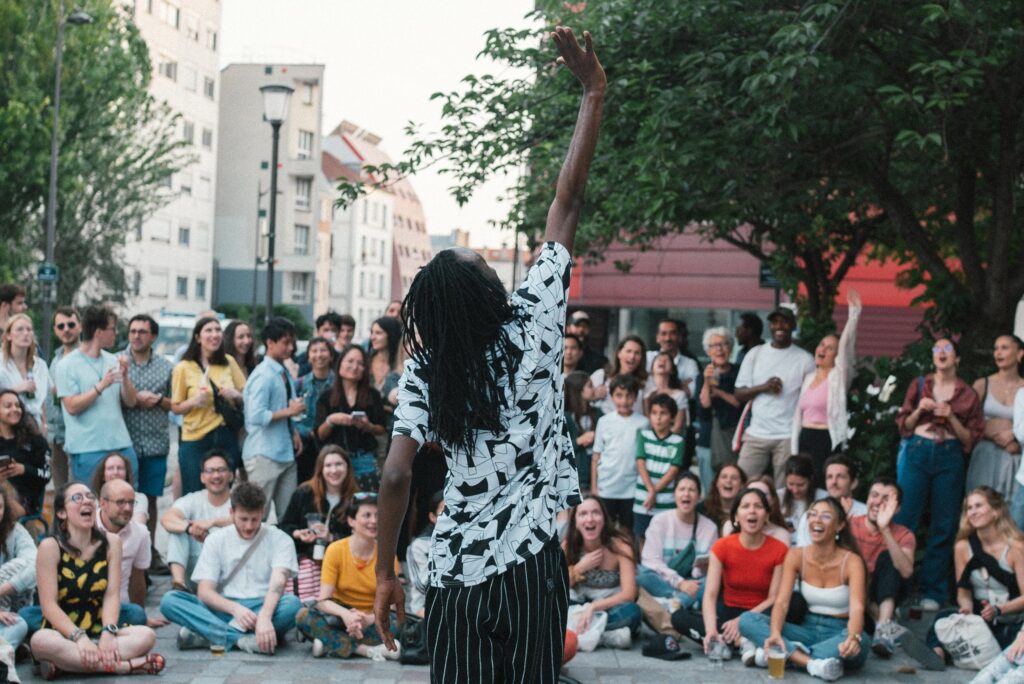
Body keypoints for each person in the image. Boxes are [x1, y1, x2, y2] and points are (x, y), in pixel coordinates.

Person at [374, 26, 603, 682]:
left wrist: (389, 571)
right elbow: (567, 201)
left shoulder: (425, 369)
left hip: (456, 568)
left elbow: (395, 476)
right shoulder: (533, 325)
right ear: (486, 292)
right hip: (532, 566)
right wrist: (592, 93)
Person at [28, 482, 163, 678]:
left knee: (147, 636)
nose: (87, 501)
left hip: (99, 629)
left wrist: (108, 632)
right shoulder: (50, 547)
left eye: (89, 496)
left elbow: (112, 594)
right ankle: (124, 666)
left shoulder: (112, 543)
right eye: (77, 498)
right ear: (61, 513)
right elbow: (48, 605)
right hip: (64, 632)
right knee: (40, 641)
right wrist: (79, 637)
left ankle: (65, 665)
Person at [159, 481, 301, 655]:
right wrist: (235, 609)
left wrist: (264, 616)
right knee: (170, 601)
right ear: (231, 513)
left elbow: (278, 584)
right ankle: (240, 640)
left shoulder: (281, 539)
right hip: (223, 608)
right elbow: (205, 591)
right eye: (243, 519)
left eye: (254, 519)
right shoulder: (216, 539)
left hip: (263, 606)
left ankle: (209, 634)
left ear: (263, 513)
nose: (249, 526)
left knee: (293, 605)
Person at [896, 337, 984, 610]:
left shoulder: (968, 393)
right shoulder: (920, 385)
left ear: (957, 359)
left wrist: (951, 417)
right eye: (937, 348)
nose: (941, 352)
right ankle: (895, 590)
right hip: (918, 451)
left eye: (948, 349)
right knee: (904, 518)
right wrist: (919, 411)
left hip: (949, 454)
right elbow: (904, 426)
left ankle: (932, 591)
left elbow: (970, 439)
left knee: (944, 524)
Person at [740, 496, 870, 681]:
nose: (816, 520)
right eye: (812, 515)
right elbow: (782, 603)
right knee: (747, 620)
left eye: (825, 516)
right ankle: (811, 663)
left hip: (839, 631)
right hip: (806, 628)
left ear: (840, 525)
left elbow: (857, 607)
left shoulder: (852, 561)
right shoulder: (796, 555)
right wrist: (776, 632)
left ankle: (782, 654)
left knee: (862, 643)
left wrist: (854, 637)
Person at [672, 487, 788, 662]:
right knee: (678, 617)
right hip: (728, 612)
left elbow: (774, 598)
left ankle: (734, 642)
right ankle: (742, 641)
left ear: (766, 515)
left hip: (761, 614)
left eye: (758, 506)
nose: (752, 511)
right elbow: (710, 594)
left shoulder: (779, 549)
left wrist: (743, 621)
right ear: (735, 517)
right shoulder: (722, 546)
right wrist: (711, 630)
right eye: (746, 506)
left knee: (794, 605)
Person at [295, 496, 401, 660]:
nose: (373, 521)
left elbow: (392, 607)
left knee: (397, 624)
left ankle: (329, 643)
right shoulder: (335, 550)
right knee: (303, 616)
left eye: (378, 516)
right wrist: (346, 615)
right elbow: (323, 601)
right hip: (339, 617)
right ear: (351, 521)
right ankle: (367, 650)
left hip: (372, 619)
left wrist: (367, 619)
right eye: (367, 515)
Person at [926, 487, 1024, 663]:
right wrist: (967, 610)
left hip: (1009, 618)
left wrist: (999, 609)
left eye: (978, 506)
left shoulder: (1016, 547)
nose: (972, 512)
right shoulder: (963, 547)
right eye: (969, 508)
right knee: (944, 617)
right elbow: (963, 592)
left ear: (995, 511)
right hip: (980, 618)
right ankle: (936, 654)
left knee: (1013, 637)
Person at [53, 304, 139, 485]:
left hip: (121, 445)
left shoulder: (114, 359)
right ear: (99, 332)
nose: (115, 333)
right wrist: (101, 386)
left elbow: (131, 402)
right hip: (87, 448)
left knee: (127, 501)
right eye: (112, 329)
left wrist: (125, 377)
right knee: (91, 503)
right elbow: (71, 406)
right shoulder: (66, 365)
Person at [735, 307, 815, 488]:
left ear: (793, 325)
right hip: (757, 432)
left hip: (787, 435)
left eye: (785, 321)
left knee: (785, 489)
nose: (780, 326)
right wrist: (764, 387)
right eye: (775, 322)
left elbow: (810, 396)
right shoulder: (755, 354)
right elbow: (739, 394)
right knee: (742, 484)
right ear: (770, 326)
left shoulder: (805, 359)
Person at [792, 291, 861, 488]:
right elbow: (798, 417)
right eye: (822, 345)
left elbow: (847, 347)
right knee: (803, 486)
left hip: (826, 440)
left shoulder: (838, 377)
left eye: (830, 348)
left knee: (824, 488)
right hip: (805, 437)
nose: (823, 349)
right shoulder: (808, 378)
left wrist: (853, 315)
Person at [171, 316, 246, 494]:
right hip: (195, 438)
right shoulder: (183, 367)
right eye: (209, 331)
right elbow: (175, 407)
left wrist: (236, 395)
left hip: (225, 435)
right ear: (198, 337)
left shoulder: (228, 361)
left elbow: (247, 394)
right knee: (194, 492)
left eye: (218, 330)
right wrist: (194, 401)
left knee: (223, 492)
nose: (215, 335)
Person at [242, 317, 305, 520]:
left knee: (289, 515)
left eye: (292, 342)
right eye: (285, 343)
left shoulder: (282, 371)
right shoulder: (263, 375)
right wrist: (290, 412)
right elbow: (256, 415)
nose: (290, 348)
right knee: (257, 515)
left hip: (284, 451)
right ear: (270, 343)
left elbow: (285, 406)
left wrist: (292, 430)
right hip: (264, 454)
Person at [847, 478, 917, 657]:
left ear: (897, 508)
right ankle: (886, 625)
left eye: (886, 498)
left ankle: (884, 629)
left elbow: (907, 571)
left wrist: (885, 529)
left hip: (882, 593)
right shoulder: (850, 524)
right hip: (852, 599)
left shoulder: (904, 534)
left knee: (891, 557)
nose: (878, 501)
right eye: (874, 495)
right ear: (867, 499)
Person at [278, 445, 357, 601]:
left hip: (339, 562)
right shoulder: (304, 492)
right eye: (328, 465)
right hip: (305, 560)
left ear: (347, 467)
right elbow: (283, 527)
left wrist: (331, 537)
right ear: (320, 469)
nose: (333, 470)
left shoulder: (355, 498)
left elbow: (359, 538)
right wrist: (298, 534)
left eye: (339, 464)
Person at [121, 314, 173, 543]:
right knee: (122, 498)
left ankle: (149, 549)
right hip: (123, 442)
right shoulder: (116, 361)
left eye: (142, 332)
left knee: (150, 500)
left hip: (154, 443)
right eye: (133, 331)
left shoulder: (166, 367)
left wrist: (159, 400)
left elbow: (178, 403)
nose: (136, 336)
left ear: (153, 336)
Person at [564, 496, 642, 648]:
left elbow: (629, 594)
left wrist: (593, 608)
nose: (590, 519)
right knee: (553, 609)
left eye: (595, 513)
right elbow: (557, 587)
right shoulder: (568, 546)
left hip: (608, 607)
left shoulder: (621, 546)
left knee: (633, 612)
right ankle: (605, 636)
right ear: (575, 521)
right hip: (577, 605)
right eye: (583, 514)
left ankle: (577, 634)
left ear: (604, 518)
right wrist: (580, 568)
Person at [637, 472, 718, 610]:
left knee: (711, 581)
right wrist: (680, 583)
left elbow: (707, 571)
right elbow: (651, 561)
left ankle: (675, 604)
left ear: (699, 497)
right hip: (666, 581)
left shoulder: (709, 528)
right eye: (681, 489)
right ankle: (682, 601)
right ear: (674, 495)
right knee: (642, 575)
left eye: (691, 490)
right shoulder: (660, 521)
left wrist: (700, 570)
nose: (686, 494)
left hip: (693, 582)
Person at [95, 479, 167, 628]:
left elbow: (138, 580)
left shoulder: (140, 533)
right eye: (120, 502)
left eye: (131, 502)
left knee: (137, 615)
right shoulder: (87, 525)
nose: (127, 508)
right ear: (103, 503)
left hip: (119, 609)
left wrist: (141, 620)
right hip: (83, 603)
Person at [315, 344, 386, 492]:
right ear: (340, 363)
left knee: (366, 504)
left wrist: (368, 426)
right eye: (350, 361)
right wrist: (331, 420)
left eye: (360, 364)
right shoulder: (326, 396)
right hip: (335, 461)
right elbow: (319, 434)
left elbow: (381, 428)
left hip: (364, 459)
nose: (355, 367)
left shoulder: (372, 395)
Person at [160, 450, 233, 593]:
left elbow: (249, 521)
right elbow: (167, 518)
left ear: (231, 475)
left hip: (228, 571)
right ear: (202, 477)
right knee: (178, 532)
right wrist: (190, 528)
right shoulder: (193, 499)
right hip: (196, 570)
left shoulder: (239, 499)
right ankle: (179, 585)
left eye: (221, 470)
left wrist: (212, 522)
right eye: (210, 471)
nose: (216, 475)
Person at [967, 335, 1024, 499]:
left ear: (1020, 353)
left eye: (1004, 348)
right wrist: (992, 434)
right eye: (996, 348)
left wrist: (1013, 434)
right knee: (981, 503)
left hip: (1016, 455)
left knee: (1011, 511)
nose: (998, 353)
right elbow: (968, 421)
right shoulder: (982, 384)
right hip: (985, 455)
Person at [591, 375, 649, 531]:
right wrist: (594, 487)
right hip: (606, 486)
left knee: (627, 531)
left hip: (631, 488)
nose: (624, 401)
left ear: (636, 397)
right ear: (611, 396)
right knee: (605, 530)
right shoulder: (604, 421)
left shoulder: (643, 423)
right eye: (619, 395)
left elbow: (644, 457)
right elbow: (596, 456)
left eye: (629, 396)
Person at [695, 326, 742, 488]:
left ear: (730, 348)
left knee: (734, 489)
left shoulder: (739, 372)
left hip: (734, 439)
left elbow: (738, 402)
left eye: (724, 344)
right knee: (710, 491)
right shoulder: (702, 376)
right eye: (714, 346)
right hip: (708, 439)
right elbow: (704, 407)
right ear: (708, 351)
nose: (720, 349)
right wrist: (707, 382)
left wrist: (718, 392)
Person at [632, 393, 684, 538]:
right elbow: (640, 462)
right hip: (643, 497)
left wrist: (654, 491)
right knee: (642, 536)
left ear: (672, 417)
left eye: (663, 413)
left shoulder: (678, 441)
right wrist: (651, 491)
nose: (658, 417)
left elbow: (673, 470)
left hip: (666, 500)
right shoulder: (644, 436)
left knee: (664, 536)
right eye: (654, 413)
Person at [795, 455, 867, 547]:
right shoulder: (812, 514)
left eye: (840, 477)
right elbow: (803, 552)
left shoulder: (865, 513)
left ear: (853, 483)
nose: (834, 482)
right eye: (829, 477)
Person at [0, 390, 50, 515]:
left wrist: (23, 469)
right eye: (8, 406)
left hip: (25, 500)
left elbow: (46, 474)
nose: (15, 409)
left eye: (17, 405)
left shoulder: (35, 441)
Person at [0, 484, 36, 651]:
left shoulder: (15, 531)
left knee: (19, 624)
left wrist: (3, 588)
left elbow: (34, 563)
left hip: (7, 611)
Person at [0, 313, 50, 434]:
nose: (26, 333)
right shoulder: (1, 363)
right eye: (20, 329)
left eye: (29, 329)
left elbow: (43, 401)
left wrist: (45, 424)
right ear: (8, 335)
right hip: (7, 429)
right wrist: (16, 389)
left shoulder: (40, 366)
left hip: (35, 427)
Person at [294, 337, 335, 484]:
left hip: (330, 444)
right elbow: (292, 415)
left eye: (323, 350)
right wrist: (307, 431)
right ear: (308, 356)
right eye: (314, 351)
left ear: (331, 355)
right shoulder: (299, 384)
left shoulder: (339, 384)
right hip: (304, 446)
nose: (319, 355)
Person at [48, 307, 80, 491]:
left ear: (80, 326)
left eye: (71, 324)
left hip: (76, 434)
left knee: (76, 489)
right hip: (55, 434)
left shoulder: (85, 356)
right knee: (60, 492)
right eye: (60, 326)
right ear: (55, 330)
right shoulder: (56, 357)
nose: (66, 329)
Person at [722, 476, 792, 546]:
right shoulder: (729, 527)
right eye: (751, 492)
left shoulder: (781, 534)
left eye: (763, 494)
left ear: (773, 500)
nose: (756, 498)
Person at [406, 491, 443, 617]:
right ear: (433, 517)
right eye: (444, 513)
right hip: (424, 608)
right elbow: (423, 585)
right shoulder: (420, 545)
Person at [590, 335, 649, 415]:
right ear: (619, 353)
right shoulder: (601, 376)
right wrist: (594, 395)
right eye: (628, 351)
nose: (632, 356)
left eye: (637, 353)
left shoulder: (646, 382)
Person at [565, 370, 600, 493]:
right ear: (578, 390)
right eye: (590, 385)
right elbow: (558, 448)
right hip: (576, 477)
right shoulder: (564, 417)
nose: (594, 389)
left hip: (598, 475)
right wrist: (579, 441)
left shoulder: (598, 413)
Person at [89, 452, 147, 526]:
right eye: (110, 468)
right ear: (103, 475)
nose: (115, 472)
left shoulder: (139, 498)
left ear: (126, 474)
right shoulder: (92, 501)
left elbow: (139, 525)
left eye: (120, 468)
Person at [645, 319, 700, 396]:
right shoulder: (648, 357)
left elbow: (694, 393)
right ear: (657, 338)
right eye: (663, 334)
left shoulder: (690, 364)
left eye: (672, 333)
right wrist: (679, 384)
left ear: (680, 337)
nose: (668, 338)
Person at [778, 454, 827, 532]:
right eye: (790, 484)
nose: (795, 490)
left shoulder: (824, 498)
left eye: (800, 485)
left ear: (810, 479)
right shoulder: (778, 497)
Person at [697, 463, 748, 532]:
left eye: (734, 478)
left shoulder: (747, 513)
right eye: (724, 477)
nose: (728, 481)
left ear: (742, 485)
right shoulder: (701, 510)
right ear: (717, 483)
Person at [646, 352, 687, 434]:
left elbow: (678, 426)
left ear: (672, 370)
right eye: (658, 359)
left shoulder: (679, 395)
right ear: (652, 368)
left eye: (666, 360)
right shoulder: (645, 392)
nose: (662, 361)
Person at [368, 316, 402, 410]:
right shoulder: (367, 361)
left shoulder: (400, 364)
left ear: (390, 334)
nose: (372, 337)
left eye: (378, 333)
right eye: (372, 333)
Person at [296, 313, 342, 377]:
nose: (330, 334)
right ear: (318, 332)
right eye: (326, 330)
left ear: (338, 333)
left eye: (333, 330)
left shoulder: (342, 358)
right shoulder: (305, 357)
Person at [567, 310, 608, 375]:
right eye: (577, 325)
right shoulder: (558, 356)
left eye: (585, 326)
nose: (581, 330)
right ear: (568, 328)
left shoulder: (598, 360)